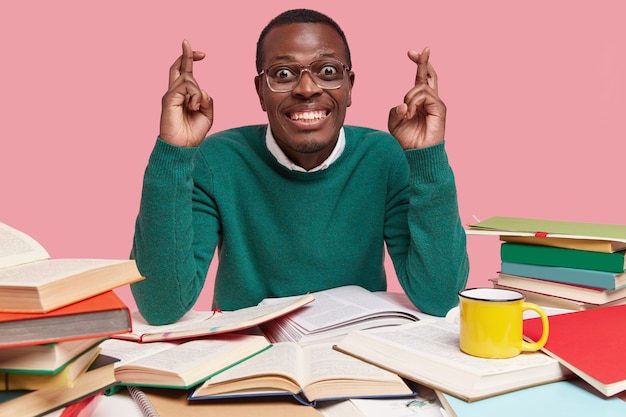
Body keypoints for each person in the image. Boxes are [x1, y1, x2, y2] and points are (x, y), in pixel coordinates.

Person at [130, 8, 469, 325]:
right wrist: (173, 151)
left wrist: (428, 157)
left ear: (350, 87)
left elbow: (439, 298)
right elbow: (161, 306)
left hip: (356, 356)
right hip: (245, 358)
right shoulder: (217, 159)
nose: (307, 89)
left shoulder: (386, 157)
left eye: (327, 71)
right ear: (260, 92)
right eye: (283, 73)